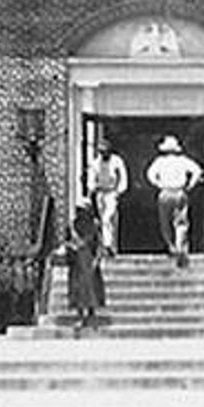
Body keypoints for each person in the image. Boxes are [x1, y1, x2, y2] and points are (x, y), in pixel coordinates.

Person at [145, 135, 203, 266]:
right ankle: (179, 245)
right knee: (181, 222)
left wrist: (158, 184)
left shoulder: (159, 161)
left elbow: (149, 175)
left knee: (165, 221)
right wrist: (190, 184)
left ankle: (171, 246)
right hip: (179, 191)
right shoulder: (182, 160)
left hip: (165, 192)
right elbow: (197, 171)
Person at [64, 200, 106, 334]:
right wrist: (71, 247)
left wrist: (97, 259)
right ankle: (80, 314)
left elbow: (99, 243)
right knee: (78, 288)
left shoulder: (94, 225)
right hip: (77, 261)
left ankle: (92, 314)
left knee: (91, 287)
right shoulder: (73, 226)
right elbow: (67, 241)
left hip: (89, 259)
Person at [84, 138, 128, 258]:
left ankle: (108, 244)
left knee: (107, 218)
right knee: (104, 219)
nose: (103, 154)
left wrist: (119, 191)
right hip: (100, 193)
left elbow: (122, 176)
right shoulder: (95, 163)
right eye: (101, 152)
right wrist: (91, 190)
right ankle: (108, 246)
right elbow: (91, 178)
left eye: (105, 151)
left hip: (111, 193)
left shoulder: (117, 161)